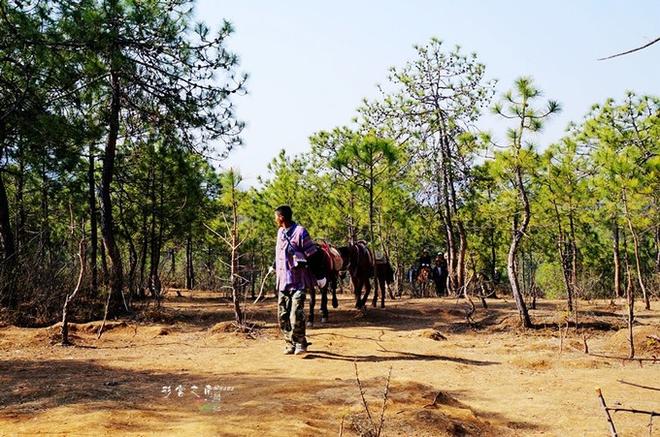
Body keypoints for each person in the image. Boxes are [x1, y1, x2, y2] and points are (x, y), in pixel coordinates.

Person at [271, 205, 324, 355]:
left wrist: (319, 276)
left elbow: (313, 255)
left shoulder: (301, 232)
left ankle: (301, 343)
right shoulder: (280, 232)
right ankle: (290, 343)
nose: (275, 219)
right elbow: (280, 253)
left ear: (281, 217)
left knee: (296, 313)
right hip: (283, 282)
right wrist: (274, 265)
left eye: (276, 216)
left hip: (298, 281)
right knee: (283, 315)